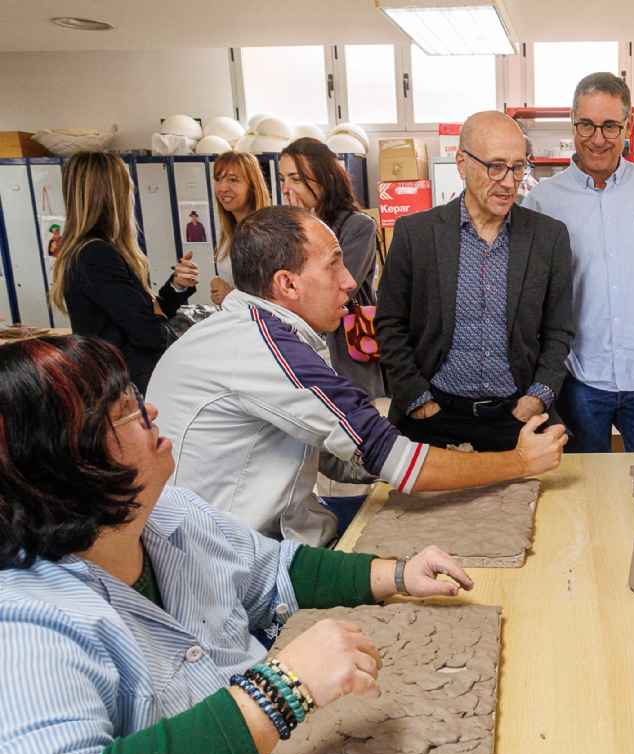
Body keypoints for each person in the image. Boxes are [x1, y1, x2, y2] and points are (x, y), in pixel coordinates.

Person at [0, 334, 472, 754]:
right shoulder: (27, 623)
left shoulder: (164, 512)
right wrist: (280, 690)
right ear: (63, 458)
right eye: (123, 409)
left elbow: (274, 573)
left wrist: (396, 574)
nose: (149, 410)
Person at [148, 205, 567, 548]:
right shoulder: (264, 350)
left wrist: (436, 459)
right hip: (232, 557)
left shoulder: (261, 333)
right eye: (334, 266)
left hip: (262, 528)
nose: (350, 282)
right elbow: (392, 459)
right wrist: (519, 461)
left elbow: (341, 453)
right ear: (287, 284)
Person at [376, 110, 574, 452]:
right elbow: (390, 323)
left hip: (515, 416)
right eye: (496, 166)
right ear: (462, 164)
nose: (510, 182)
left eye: (518, 167)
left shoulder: (548, 237)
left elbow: (559, 331)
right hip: (434, 416)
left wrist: (536, 399)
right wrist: (417, 401)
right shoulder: (416, 234)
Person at [523, 72, 634, 453]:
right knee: (582, 495)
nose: (598, 138)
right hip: (578, 381)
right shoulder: (543, 202)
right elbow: (530, 300)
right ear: (572, 124)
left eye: (609, 126)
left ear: (627, 126)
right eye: (586, 125)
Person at [49, 151, 199, 394]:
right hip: (130, 386)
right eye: (129, 188)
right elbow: (149, 332)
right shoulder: (96, 255)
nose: (132, 197)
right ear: (112, 196)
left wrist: (177, 286)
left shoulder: (97, 251)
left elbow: (140, 316)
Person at [280, 138, 385, 400]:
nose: (286, 189)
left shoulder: (357, 226)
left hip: (346, 350)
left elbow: (334, 290)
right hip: (300, 347)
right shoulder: (284, 229)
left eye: (296, 179)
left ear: (325, 178)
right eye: (282, 179)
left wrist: (306, 228)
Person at [210, 150, 270, 306]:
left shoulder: (268, 235)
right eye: (218, 179)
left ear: (252, 186)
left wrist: (230, 296)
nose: (223, 188)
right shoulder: (228, 232)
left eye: (233, 180)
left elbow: (275, 303)